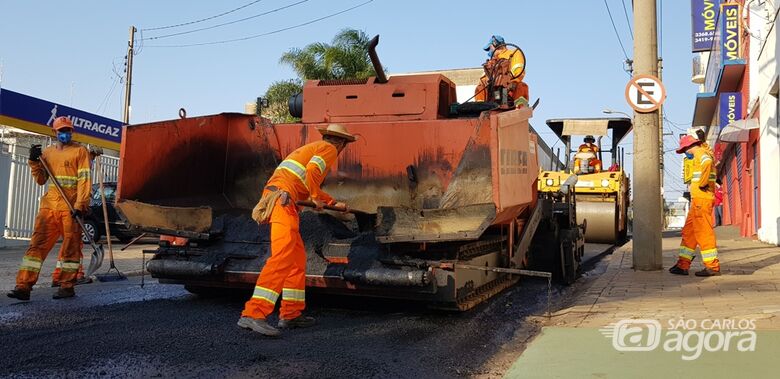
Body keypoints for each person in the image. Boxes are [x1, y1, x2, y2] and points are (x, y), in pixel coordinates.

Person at [237, 124, 355, 337]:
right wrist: (318, 199)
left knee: (296, 259)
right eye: (345, 145)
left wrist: (331, 202)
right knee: (282, 257)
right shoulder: (327, 149)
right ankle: (253, 314)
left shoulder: (313, 148)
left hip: (284, 200)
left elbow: (307, 182)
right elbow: (311, 174)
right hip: (283, 201)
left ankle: (291, 314)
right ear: (342, 143)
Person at [6, 116, 92, 300]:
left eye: (68, 130)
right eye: (61, 131)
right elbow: (40, 180)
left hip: (70, 208)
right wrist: (33, 162)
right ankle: (23, 286)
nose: (65, 133)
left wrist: (80, 205)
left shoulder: (80, 151)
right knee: (36, 247)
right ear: (55, 132)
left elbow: (85, 181)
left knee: (70, 248)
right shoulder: (48, 153)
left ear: (72, 131)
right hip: (50, 207)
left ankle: (67, 286)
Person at [669, 135, 721, 277]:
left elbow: (707, 162)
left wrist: (703, 182)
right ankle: (683, 265)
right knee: (689, 232)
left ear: (687, 147)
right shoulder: (703, 152)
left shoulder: (700, 153)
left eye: (684, 150)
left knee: (703, 232)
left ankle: (712, 266)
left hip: (702, 199)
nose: (685, 153)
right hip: (698, 200)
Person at [475, 35, 529, 106]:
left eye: (490, 48)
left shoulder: (515, 54)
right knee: (479, 88)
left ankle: (519, 107)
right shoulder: (492, 62)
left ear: (495, 44)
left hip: (509, 91)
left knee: (522, 87)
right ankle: (480, 108)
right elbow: (485, 79)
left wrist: (509, 83)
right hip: (495, 93)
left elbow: (518, 71)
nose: (489, 52)